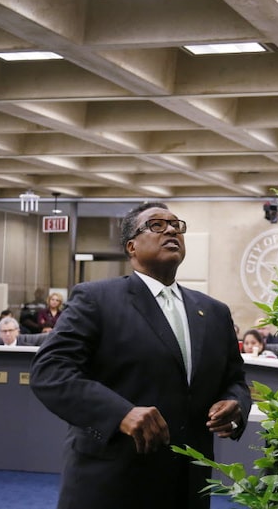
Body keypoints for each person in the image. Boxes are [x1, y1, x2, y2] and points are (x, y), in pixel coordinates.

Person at [29, 202, 251, 509]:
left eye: (177, 225)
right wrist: (120, 413)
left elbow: (235, 379)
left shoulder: (214, 312)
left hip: (188, 487)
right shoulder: (96, 299)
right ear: (131, 246)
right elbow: (50, 372)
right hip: (112, 483)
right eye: (157, 225)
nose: (172, 230)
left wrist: (237, 406)